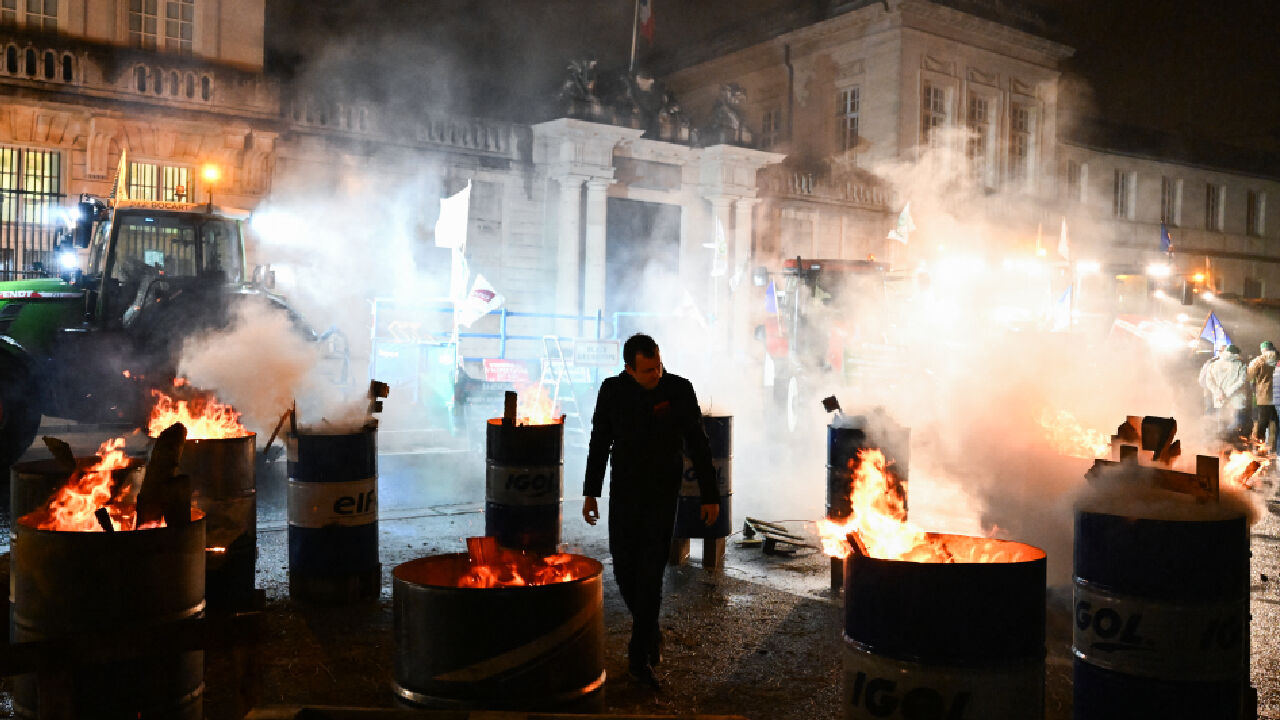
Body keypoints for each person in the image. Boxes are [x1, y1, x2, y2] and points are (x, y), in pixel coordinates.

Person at [582, 333, 720, 690]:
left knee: (651, 573)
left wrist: (710, 494)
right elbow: (599, 441)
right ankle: (652, 631)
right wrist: (590, 492)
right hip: (625, 493)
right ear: (629, 369)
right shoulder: (613, 391)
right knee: (624, 570)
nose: (655, 374)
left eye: (658, 365)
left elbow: (699, 444)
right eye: (647, 370)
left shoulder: (678, 389)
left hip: (662, 494)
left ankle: (638, 657)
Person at [1206, 344, 1248, 442]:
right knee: (1237, 422)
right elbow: (1241, 381)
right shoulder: (1241, 364)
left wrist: (1219, 393)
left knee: (1221, 423)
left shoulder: (1213, 364)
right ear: (1236, 353)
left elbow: (1209, 382)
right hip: (1236, 400)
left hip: (1219, 399)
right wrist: (1227, 393)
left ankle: (1222, 446)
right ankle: (1229, 442)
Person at [1248, 341, 1279, 453]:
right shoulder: (1278, 359)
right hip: (1278, 396)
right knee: (1275, 423)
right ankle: (1274, 449)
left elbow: (1249, 376)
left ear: (1263, 350)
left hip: (1264, 396)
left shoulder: (1258, 361)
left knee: (1262, 422)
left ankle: (1258, 447)